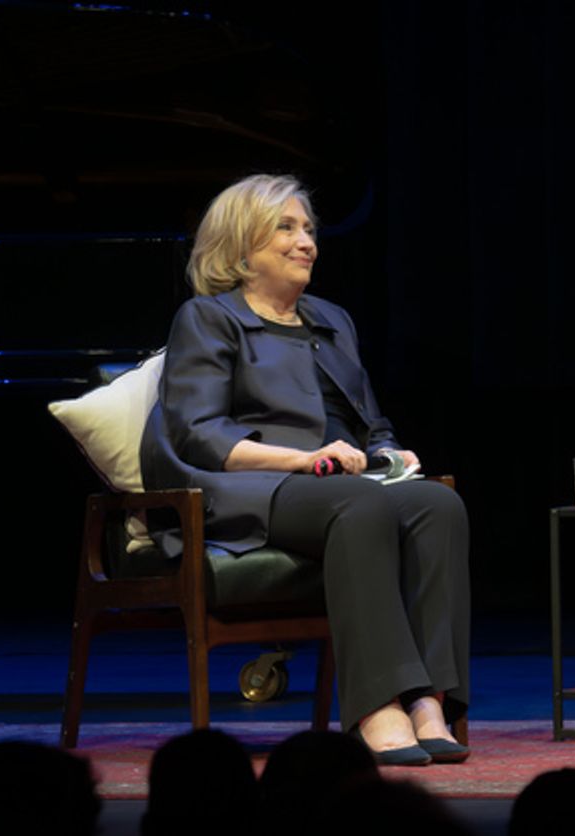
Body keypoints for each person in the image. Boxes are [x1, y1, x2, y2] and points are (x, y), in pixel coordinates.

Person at [141, 174, 470, 767]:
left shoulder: (331, 320)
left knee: (436, 504)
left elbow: (370, 422)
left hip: (334, 487)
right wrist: (304, 461)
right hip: (248, 488)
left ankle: (429, 699)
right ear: (241, 247)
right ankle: (377, 705)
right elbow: (200, 433)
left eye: (310, 230)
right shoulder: (208, 318)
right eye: (286, 228)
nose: (307, 242)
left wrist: (392, 454)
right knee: (358, 502)